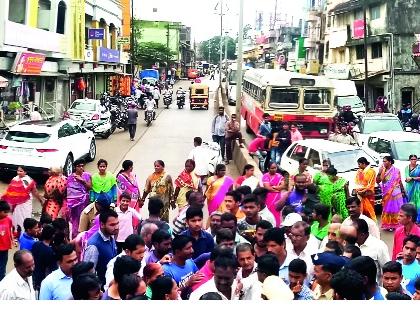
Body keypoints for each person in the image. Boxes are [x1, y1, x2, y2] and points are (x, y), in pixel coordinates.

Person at [1, 166, 44, 233]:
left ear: (25, 172)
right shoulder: (15, 178)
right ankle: (15, 231)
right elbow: (10, 191)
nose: (19, 172)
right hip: (16, 203)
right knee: (15, 216)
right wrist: (4, 197)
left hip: (25, 202)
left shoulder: (29, 180)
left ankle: (24, 231)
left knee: (25, 216)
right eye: (18, 171)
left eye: (21, 171)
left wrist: (40, 200)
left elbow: (34, 191)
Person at [83, 210, 119, 286]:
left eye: (117, 223)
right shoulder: (94, 245)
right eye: (112, 225)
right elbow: (88, 273)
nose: (116, 227)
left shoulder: (110, 236)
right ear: (102, 225)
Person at [354, 218, 390, 283]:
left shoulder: (379, 246)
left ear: (362, 235)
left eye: (353, 233)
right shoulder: (351, 244)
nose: (350, 235)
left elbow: (387, 269)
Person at [377, 156, 406, 231]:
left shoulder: (396, 170)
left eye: (385, 161)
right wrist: (379, 172)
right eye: (383, 161)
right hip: (386, 193)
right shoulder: (383, 171)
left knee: (396, 208)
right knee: (387, 208)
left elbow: (399, 181)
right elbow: (378, 181)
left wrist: (403, 191)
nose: (383, 163)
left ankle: (397, 224)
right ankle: (388, 224)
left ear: (390, 162)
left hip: (396, 193)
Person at [67, 159, 92, 238]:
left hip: (85, 203)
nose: (81, 168)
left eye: (82, 166)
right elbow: (70, 192)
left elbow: (90, 187)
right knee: (76, 221)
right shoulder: (70, 178)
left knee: (85, 219)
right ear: (75, 167)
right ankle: (75, 238)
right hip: (75, 205)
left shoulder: (87, 175)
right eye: (79, 166)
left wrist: (83, 181)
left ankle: (84, 237)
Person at [32, 224, 58, 291]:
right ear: (52, 236)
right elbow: (53, 269)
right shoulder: (49, 251)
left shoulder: (36, 244)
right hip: (43, 278)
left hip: (34, 275)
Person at [261, 162, 286, 226]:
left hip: (277, 198)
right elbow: (267, 188)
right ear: (268, 168)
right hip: (268, 197)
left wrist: (274, 187)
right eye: (272, 168)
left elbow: (283, 186)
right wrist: (278, 189)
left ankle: (276, 226)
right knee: (268, 211)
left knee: (276, 212)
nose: (274, 169)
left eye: (275, 168)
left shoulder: (280, 176)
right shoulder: (265, 176)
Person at [354, 157, 377, 221]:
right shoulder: (359, 171)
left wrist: (363, 191)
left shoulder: (371, 171)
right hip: (360, 193)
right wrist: (358, 190)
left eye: (359, 164)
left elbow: (371, 184)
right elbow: (356, 182)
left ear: (364, 163)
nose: (358, 166)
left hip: (368, 193)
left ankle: (371, 225)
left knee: (369, 211)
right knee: (361, 210)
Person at [0, 201, 13, 282]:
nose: (7, 214)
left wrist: (12, 239)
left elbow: (10, 230)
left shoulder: (8, 220)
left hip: (5, 248)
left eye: (8, 212)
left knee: (2, 266)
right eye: (5, 212)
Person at [405, 155, 420, 220]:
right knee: (410, 203)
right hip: (409, 187)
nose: (413, 160)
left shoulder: (419, 168)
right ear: (409, 160)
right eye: (412, 159)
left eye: (415, 159)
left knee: (418, 202)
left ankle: (418, 219)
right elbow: (407, 178)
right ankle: (412, 218)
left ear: (417, 160)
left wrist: (412, 178)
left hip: (418, 187)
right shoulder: (406, 168)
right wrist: (409, 179)